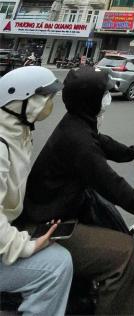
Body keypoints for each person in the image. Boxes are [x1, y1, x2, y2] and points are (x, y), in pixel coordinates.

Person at [23, 67, 134, 315]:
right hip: (47, 224)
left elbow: (102, 142)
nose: (108, 98)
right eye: (104, 94)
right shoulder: (79, 142)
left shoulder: (76, 123)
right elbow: (112, 185)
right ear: (90, 100)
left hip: (57, 208)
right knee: (125, 252)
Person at [0, 67, 73, 315]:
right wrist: (26, 246)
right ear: (19, 100)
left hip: (10, 226)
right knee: (58, 265)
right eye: (43, 97)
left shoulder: (18, 133)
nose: (48, 103)